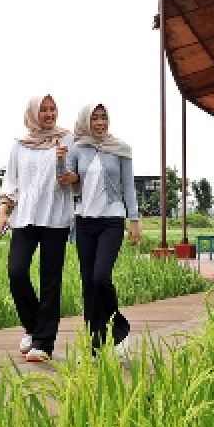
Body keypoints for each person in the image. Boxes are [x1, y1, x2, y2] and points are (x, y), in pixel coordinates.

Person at [0, 95, 75, 363]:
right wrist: (3, 212)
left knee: (50, 279)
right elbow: (11, 180)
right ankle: (32, 327)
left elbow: (75, 178)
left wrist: (67, 168)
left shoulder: (67, 139)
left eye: (53, 109)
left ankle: (44, 342)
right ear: (33, 113)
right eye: (44, 109)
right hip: (25, 216)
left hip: (55, 216)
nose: (49, 114)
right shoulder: (20, 145)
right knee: (16, 271)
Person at [61, 103, 141, 359]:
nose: (99, 122)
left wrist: (135, 220)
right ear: (86, 121)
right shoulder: (77, 148)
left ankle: (120, 329)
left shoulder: (120, 149)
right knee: (88, 284)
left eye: (103, 118)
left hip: (112, 219)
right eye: (94, 118)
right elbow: (66, 178)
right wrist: (61, 162)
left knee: (100, 278)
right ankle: (95, 345)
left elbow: (128, 186)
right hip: (85, 220)